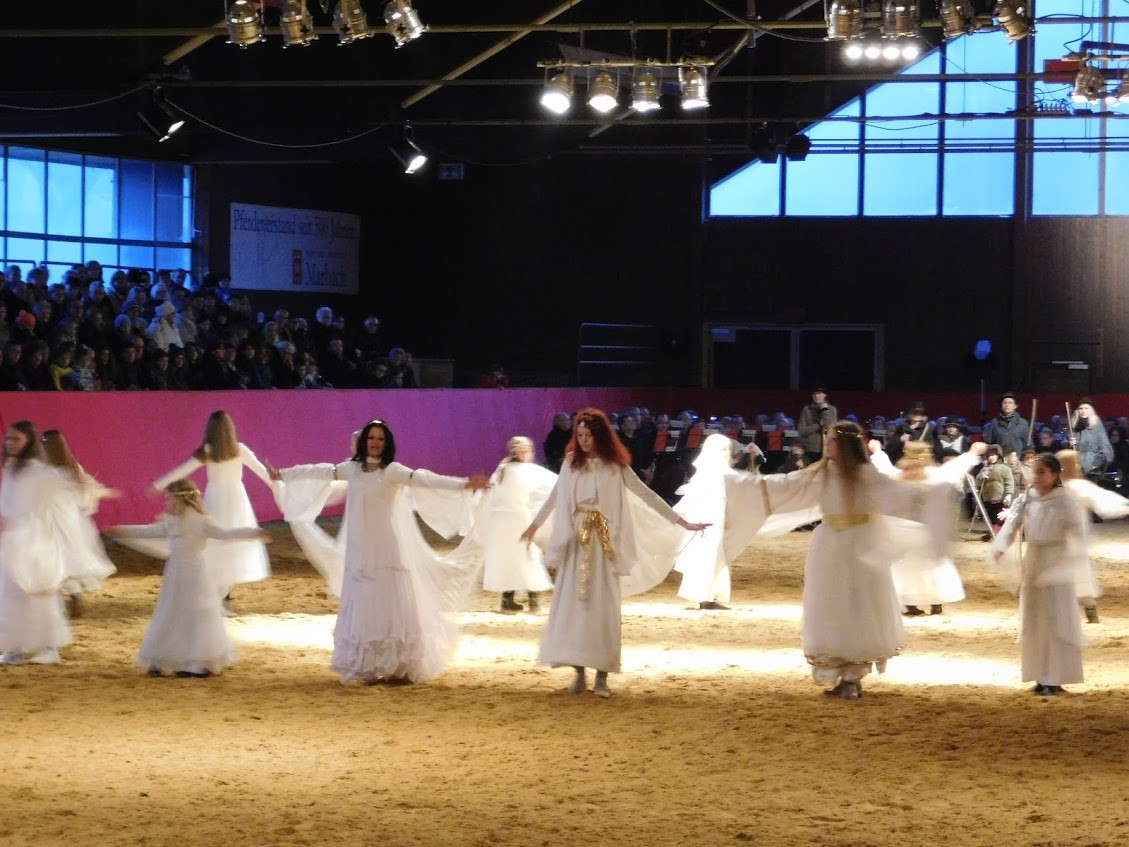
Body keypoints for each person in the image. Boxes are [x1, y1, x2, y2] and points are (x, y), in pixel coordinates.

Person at [268, 420, 490, 685]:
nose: (375, 442)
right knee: (363, 601)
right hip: (359, 550)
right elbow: (318, 472)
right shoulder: (352, 469)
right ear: (364, 441)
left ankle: (399, 665)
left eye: (380, 439)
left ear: (387, 444)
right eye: (371, 438)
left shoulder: (393, 471)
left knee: (391, 601)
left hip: (387, 548)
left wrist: (464, 484)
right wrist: (283, 474)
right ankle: (366, 666)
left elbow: (425, 479)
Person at [730, 421, 929, 700]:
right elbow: (787, 486)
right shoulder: (826, 473)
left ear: (845, 444)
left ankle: (852, 677)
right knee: (834, 603)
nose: (828, 445)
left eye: (833, 440)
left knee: (856, 603)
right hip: (836, 544)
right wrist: (743, 482)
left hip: (854, 545)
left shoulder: (863, 473)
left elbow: (895, 494)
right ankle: (846, 676)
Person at [520, 409, 708, 699]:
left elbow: (647, 495)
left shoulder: (615, 466)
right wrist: (533, 526)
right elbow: (555, 497)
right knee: (574, 605)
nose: (582, 440)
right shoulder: (571, 464)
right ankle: (579, 673)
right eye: (579, 435)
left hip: (604, 543)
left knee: (602, 606)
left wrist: (682, 521)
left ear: (600, 436)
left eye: (588, 435)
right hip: (577, 542)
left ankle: (602, 676)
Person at [108, 480, 270, 678]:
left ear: (181, 499)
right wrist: (122, 530)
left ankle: (197, 662)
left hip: (196, 574)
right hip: (175, 574)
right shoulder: (171, 520)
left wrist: (252, 533)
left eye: (169, 498)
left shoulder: (202, 521)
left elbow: (224, 534)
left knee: (196, 614)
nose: (166, 503)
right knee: (171, 612)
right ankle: (162, 658)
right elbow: (149, 531)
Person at [151, 410, 272, 616]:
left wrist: (158, 485)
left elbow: (182, 471)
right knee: (232, 545)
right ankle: (222, 597)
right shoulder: (239, 450)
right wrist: (283, 489)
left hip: (215, 498)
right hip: (236, 499)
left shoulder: (208, 451)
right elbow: (264, 473)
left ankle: (219, 597)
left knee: (214, 546)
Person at [992, 454, 1090, 696]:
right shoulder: (1027, 498)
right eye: (1034, 472)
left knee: (1056, 620)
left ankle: (1055, 677)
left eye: (1042, 472)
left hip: (1058, 563)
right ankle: (1039, 675)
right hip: (1034, 562)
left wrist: (1071, 561)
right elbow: (1012, 523)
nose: (1036, 477)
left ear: (1055, 475)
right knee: (1036, 620)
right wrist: (1001, 546)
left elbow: (1080, 534)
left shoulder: (1066, 501)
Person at [870, 440, 987, 617]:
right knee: (934, 564)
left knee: (906, 566)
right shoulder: (935, 475)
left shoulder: (898, 476)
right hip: (927, 529)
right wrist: (972, 453)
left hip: (904, 529)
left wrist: (877, 450)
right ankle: (935, 602)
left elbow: (883, 468)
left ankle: (911, 604)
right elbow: (956, 467)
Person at [0, 421, 73, 666]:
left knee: (38, 595)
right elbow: (7, 502)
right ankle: (14, 648)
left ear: (29, 442)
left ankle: (47, 647)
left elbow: (55, 496)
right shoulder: (11, 467)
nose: (11, 443)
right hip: (12, 541)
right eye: (9, 438)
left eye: (16, 439)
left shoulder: (37, 470)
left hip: (34, 542)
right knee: (10, 595)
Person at [672, 434, 765, 611]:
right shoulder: (715, 472)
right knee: (709, 555)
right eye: (725, 450)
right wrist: (748, 455)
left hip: (711, 519)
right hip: (710, 520)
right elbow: (737, 479)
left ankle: (708, 596)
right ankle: (705, 597)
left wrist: (747, 454)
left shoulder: (708, 471)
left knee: (712, 555)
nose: (727, 454)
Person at [40, 429, 119, 618]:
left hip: (51, 520)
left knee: (54, 559)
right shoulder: (72, 467)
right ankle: (74, 592)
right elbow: (89, 490)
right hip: (70, 520)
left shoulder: (45, 471)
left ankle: (61, 600)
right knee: (70, 559)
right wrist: (105, 492)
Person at [473, 436, 556, 613]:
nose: (529, 454)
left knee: (508, 558)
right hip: (519, 519)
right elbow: (554, 485)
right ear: (517, 452)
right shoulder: (525, 470)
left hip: (501, 523)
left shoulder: (501, 470)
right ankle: (534, 600)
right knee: (528, 556)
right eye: (526, 450)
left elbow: (489, 498)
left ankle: (508, 600)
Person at [1054, 449, 1129, 624]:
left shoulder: (1066, 486)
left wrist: (1125, 505)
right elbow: (1104, 500)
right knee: (1079, 572)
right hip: (1066, 537)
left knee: (1072, 572)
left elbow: (1103, 500)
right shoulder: (1074, 486)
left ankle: (1082, 609)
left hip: (1069, 537)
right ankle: (1088, 609)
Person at [1067, 398, 1114, 481]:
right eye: (1081, 408)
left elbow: (1106, 448)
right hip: (1077, 469)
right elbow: (1068, 448)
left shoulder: (1096, 424)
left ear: (1091, 410)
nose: (1083, 411)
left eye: (1086, 408)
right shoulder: (1074, 425)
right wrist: (1070, 444)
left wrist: (1096, 464)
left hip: (1093, 471)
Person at [976, 445, 1014, 536]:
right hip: (988, 498)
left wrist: (1009, 494)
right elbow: (978, 482)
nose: (991, 457)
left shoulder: (1005, 469)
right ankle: (992, 531)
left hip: (1000, 497)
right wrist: (981, 477)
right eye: (989, 455)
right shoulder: (984, 469)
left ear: (998, 456)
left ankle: (998, 533)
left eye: (993, 455)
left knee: (1000, 517)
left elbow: (1009, 481)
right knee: (990, 516)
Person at [982, 391, 1032, 457]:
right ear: (1001, 406)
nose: (1007, 405)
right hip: (1000, 460)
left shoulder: (1022, 423)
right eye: (1004, 403)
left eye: (1010, 403)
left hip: (1017, 460)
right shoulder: (995, 422)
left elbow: (1028, 445)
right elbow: (988, 443)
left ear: (1015, 406)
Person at [797, 386, 837, 465]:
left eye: (819, 393)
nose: (816, 396)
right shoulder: (807, 409)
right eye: (814, 394)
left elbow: (831, 427)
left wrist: (824, 410)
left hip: (826, 449)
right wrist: (818, 425)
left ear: (825, 395)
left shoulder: (832, 409)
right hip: (810, 449)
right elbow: (801, 431)